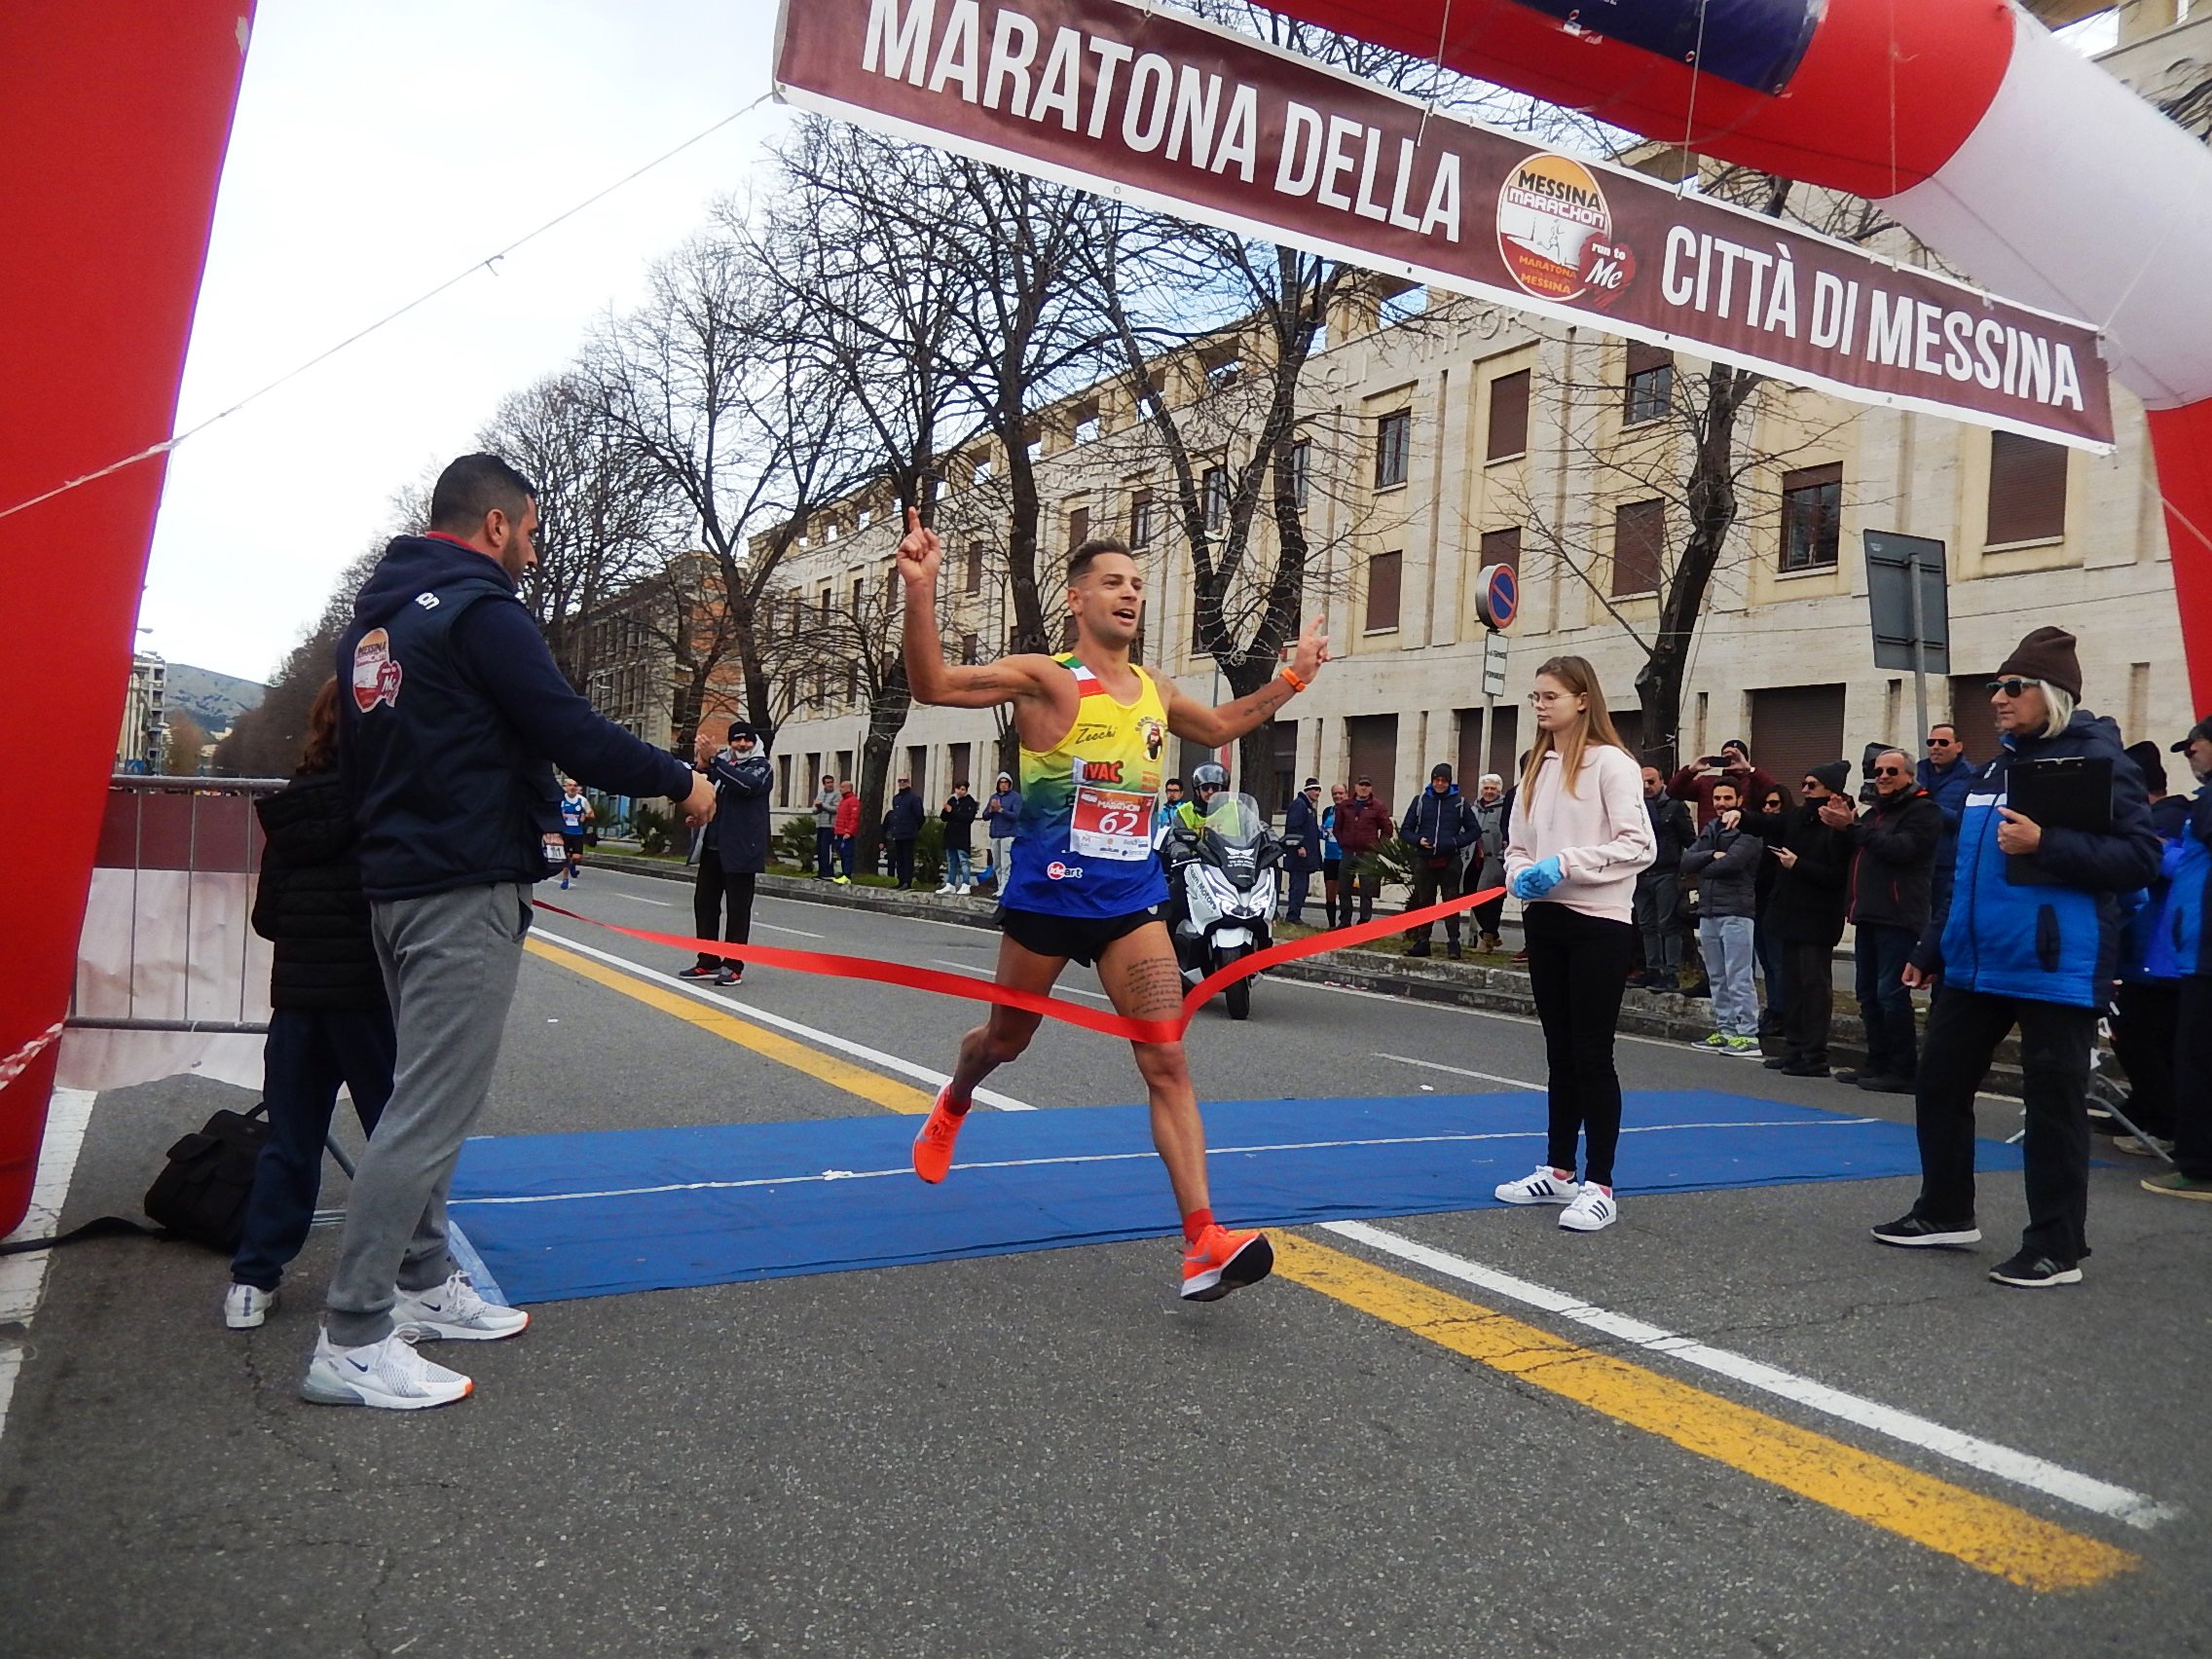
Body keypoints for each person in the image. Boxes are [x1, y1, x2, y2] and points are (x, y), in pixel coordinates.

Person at [318, 452, 714, 1409]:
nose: (533, 553)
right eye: (531, 533)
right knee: (429, 1110)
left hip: (397, 883)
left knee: (423, 1096)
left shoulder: (375, 624)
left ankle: (421, 1280)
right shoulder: (481, 611)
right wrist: (679, 779)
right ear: (496, 525)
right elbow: (568, 729)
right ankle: (353, 1333)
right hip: (461, 885)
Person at [896, 513, 1328, 1301]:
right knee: (1005, 1040)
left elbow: (1227, 723)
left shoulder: (1157, 690)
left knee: (1165, 1055)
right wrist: (919, 591)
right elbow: (933, 686)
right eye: (1113, 582)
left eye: (1137, 584)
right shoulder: (1048, 678)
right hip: (1049, 899)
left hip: (1131, 904)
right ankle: (956, 1097)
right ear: (1076, 598)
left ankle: (1203, 1240)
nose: (1130, 593)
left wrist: (1294, 677)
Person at [1874, 628, 2162, 1286]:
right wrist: (1932, 947)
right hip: (1976, 964)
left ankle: (2056, 1247)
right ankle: (1945, 1210)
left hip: (2054, 967)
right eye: (1994, 687)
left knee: (2053, 1107)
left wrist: (2048, 841)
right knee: (1940, 1082)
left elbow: (2140, 860)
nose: (1997, 698)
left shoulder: (2097, 761)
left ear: (2050, 694)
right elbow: (1965, 872)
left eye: (2011, 687)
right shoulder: (1995, 768)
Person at [224, 679, 393, 1331]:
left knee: (291, 1139)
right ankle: (406, 1268)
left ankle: (253, 1278)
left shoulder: (290, 812)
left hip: (297, 1000)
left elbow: (268, 918)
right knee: (395, 1135)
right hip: (370, 996)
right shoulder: (386, 805)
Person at [1492, 656, 1657, 1233]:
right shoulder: (1536, 766)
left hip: (1599, 922)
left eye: (1551, 696)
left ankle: (1600, 1183)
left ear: (1583, 699)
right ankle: (1559, 1170)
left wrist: (1568, 863)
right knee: (1558, 1052)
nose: (1540, 705)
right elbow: (1515, 845)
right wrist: (1519, 874)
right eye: (1535, 696)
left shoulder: (1613, 764)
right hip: (1546, 920)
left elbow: (1640, 846)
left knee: (1592, 1052)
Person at [1836, 749, 1942, 1092]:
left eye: (1891, 771)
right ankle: (1876, 1061)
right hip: (1868, 913)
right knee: (1866, 993)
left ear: (1909, 776)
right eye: (1879, 771)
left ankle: (1902, 1069)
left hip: (1898, 916)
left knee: (1890, 994)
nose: (1882, 776)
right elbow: (1857, 847)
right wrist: (1843, 826)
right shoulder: (1875, 814)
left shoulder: (1923, 811)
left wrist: (1853, 827)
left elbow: (1901, 850)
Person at [1741, 761, 1855, 1077]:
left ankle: (1814, 1055)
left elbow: (1837, 876)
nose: (1804, 790)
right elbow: (1767, 823)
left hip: (1817, 919)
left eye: (1812, 785)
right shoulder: (1798, 818)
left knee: (1814, 987)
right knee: (1791, 984)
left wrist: (1798, 864)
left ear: (1831, 790)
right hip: (1787, 914)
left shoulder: (1839, 826)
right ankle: (1794, 1048)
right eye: (1804, 784)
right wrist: (1741, 816)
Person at [2143, 715, 2212, 1200]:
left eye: (2194, 745)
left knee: (2197, 1060)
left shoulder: (2205, 804)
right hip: (2195, 951)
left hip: (2204, 953)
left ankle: (2199, 1165)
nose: (2190, 754)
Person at [2110, 741, 2187, 1155]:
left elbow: (2169, 867)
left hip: (2159, 956)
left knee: (2140, 1037)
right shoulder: (2168, 817)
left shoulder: (2170, 819)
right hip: (2150, 953)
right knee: (2148, 1037)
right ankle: (2144, 1109)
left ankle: (2164, 1121)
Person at [678, 721, 772, 987]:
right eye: (736, 741)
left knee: (737, 911)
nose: (742, 745)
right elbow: (707, 793)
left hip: (743, 851)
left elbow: (746, 786)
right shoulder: (723, 766)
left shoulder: (762, 767)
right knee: (705, 906)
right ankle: (707, 961)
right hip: (712, 848)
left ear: (755, 742)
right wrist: (699, 816)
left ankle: (733, 965)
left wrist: (715, 759)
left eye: (747, 741)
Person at [1679, 777, 1762, 1055]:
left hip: (1737, 911)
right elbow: (1686, 860)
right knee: (1717, 975)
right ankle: (1725, 1029)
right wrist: (1711, 855)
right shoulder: (1710, 828)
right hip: (1708, 910)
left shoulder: (1749, 830)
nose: (1721, 804)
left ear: (1739, 800)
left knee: (1738, 975)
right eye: (1717, 799)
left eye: (1727, 798)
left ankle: (1748, 1035)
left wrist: (1706, 862)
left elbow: (1733, 863)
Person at [1399, 762, 1478, 958]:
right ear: (1432, 780)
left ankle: (1453, 943)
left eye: (1443, 780)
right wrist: (1419, 840)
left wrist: (1454, 842)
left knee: (1451, 902)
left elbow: (1474, 830)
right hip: (1424, 860)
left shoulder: (1459, 803)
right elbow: (1405, 831)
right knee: (1425, 902)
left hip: (1450, 860)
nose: (1440, 783)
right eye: (1436, 780)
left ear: (1449, 782)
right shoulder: (1420, 801)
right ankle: (1423, 941)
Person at [1632, 764, 1695, 991]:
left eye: (1651, 782)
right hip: (1640, 873)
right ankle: (1652, 969)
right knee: (1646, 924)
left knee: (1668, 924)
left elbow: (1689, 839)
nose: (1647, 786)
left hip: (1667, 872)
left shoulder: (1675, 806)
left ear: (1662, 781)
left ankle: (1671, 973)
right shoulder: (1634, 807)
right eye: (1643, 782)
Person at [1917, 721, 1978, 923]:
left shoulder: (1972, 778)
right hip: (1913, 861)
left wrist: (1930, 808)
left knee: (1942, 921)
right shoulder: (1916, 773)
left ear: (1958, 746)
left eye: (1943, 742)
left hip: (1946, 865)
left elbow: (1968, 821)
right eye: (1931, 742)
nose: (1936, 747)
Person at [1751, 782, 1794, 1042]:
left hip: (1780, 907)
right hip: (1758, 904)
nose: (1768, 809)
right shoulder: (1759, 835)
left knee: (1779, 963)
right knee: (1767, 963)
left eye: (1774, 804)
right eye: (1765, 804)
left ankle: (1783, 1012)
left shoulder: (1790, 832)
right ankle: (1774, 1009)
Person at [1667, 739, 1779, 828]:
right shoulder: (1706, 782)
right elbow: (1673, 791)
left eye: (1736, 757)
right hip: (1710, 843)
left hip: (1743, 844)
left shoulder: (1753, 782)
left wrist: (1749, 770)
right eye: (1726, 757)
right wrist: (1691, 770)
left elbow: (1777, 794)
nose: (1731, 761)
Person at [1335, 775, 1394, 926]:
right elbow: (1337, 827)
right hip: (1348, 852)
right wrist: (1343, 842)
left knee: (1366, 890)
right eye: (1361, 785)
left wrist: (1378, 848)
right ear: (1355, 786)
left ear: (1371, 788)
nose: (1363, 788)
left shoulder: (1378, 806)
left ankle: (1364, 923)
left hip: (1367, 854)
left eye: (1367, 785)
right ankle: (1344, 922)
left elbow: (1387, 828)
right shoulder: (1346, 805)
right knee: (1344, 889)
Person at [1468, 774, 1509, 952]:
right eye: (1486, 788)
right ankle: (1492, 933)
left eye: (1493, 788)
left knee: (1492, 900)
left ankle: (1487, 939)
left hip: (1496, 860)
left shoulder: (1506, 807)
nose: (1489, 792)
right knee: (1470, 895)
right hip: (1474, 859)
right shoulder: (1474, 808)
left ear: (1499, 790)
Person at [1283, 777, 1324, 923]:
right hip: (1299, 856)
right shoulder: (1299, 805)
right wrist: (1299, 846)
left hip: (1305, 856)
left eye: (1319, 790)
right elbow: (1294, 828)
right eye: (1315, 789)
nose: (1317, 793)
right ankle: (1292, 916)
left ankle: (1295, 914)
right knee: (1298, 886)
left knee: (1302, 886)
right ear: (1307, 790)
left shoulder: (1308, 807)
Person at [978, 771, 1020, 893]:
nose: (1003, 785)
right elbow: (985, 816)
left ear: (1009, 784)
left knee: (1006, 863)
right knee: (996, 864)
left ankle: (1005, 888)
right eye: (1001, 783)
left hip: (1008, 835)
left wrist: (1001, 810)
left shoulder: (1015, 797)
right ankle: (999, 885)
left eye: (1006, 782)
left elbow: (1015, 816)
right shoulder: (994, 797)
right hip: (995, 834)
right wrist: (992, 810)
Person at [938, 781, 979, 894]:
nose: (960, 792)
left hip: (962, 836)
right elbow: (944, 818)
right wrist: (945, 810)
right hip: (950, 836)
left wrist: (953, 811)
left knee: (963, 861)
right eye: (958, 789)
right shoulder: (952, 800)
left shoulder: (970, 802)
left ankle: (966, 884)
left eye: (962, 789)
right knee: (951, 861)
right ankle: (950, 884)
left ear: (966, 790)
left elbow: (967, 818)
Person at [886, 774, 925, 888]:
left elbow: (920, 816)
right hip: (897, 833)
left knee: (907, 858)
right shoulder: (896, 798)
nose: (902, 783)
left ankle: (907, 881)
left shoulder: (914, 798)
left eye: (905, 780)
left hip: (909, 833)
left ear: (909, 782)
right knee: (899, 858)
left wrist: (914, 828)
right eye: (900, 781)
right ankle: (901, 880)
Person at [1319, 783, 1348, 928]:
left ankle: (1344, 924)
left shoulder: (1351, 811)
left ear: (1346, 794)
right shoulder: (1327, 811)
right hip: (1330, 857)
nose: (1338, 796)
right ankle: (1331, 924)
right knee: (1330, 893)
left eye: (1341, 793)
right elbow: (1323, 831)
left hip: (1345, 857)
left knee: (1344, 892)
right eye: (1335, 794)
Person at [556, 777, 592, 890]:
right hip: (564, 832)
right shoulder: (560, 800)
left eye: (575, 786)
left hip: (577, 833)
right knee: (566, 856)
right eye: (570, 785)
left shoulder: (582, 800)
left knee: (577, 857)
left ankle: (572, 865)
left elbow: (592, 814)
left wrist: (584, 816)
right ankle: (565, 879)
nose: (572, 788)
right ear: (566, 787)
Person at [831, 778, 861, 883]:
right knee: (842, 855)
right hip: (840, 832)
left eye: (843, 787)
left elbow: (854, 818)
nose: (840, 789)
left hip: (846, 833)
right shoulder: (843, 801)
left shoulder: (853, 801)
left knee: (847, 854)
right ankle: (844, 873)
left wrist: (849, 832)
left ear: (849, 788)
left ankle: (847, 875)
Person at [811, 773, 840, 878]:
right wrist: (819, 807)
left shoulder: (837, 794)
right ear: (824, 784)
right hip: (820, 825)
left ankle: (828, 872)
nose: (830, 784)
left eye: (831, 782)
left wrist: (822, 805)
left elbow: (836, 809)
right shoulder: (821, 794)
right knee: (820, 850)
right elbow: (814, 810)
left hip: (830, 826)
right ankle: (821, 872)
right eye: (827, 783)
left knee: (827, 849)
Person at [1154, 776, 1186, 846]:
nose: (1172, 793)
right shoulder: (1161, 810)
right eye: (1169, 790)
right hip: (1163, 847)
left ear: (1181, 793)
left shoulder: (1186, 810)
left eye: (1175, 791)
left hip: (1181, 846)